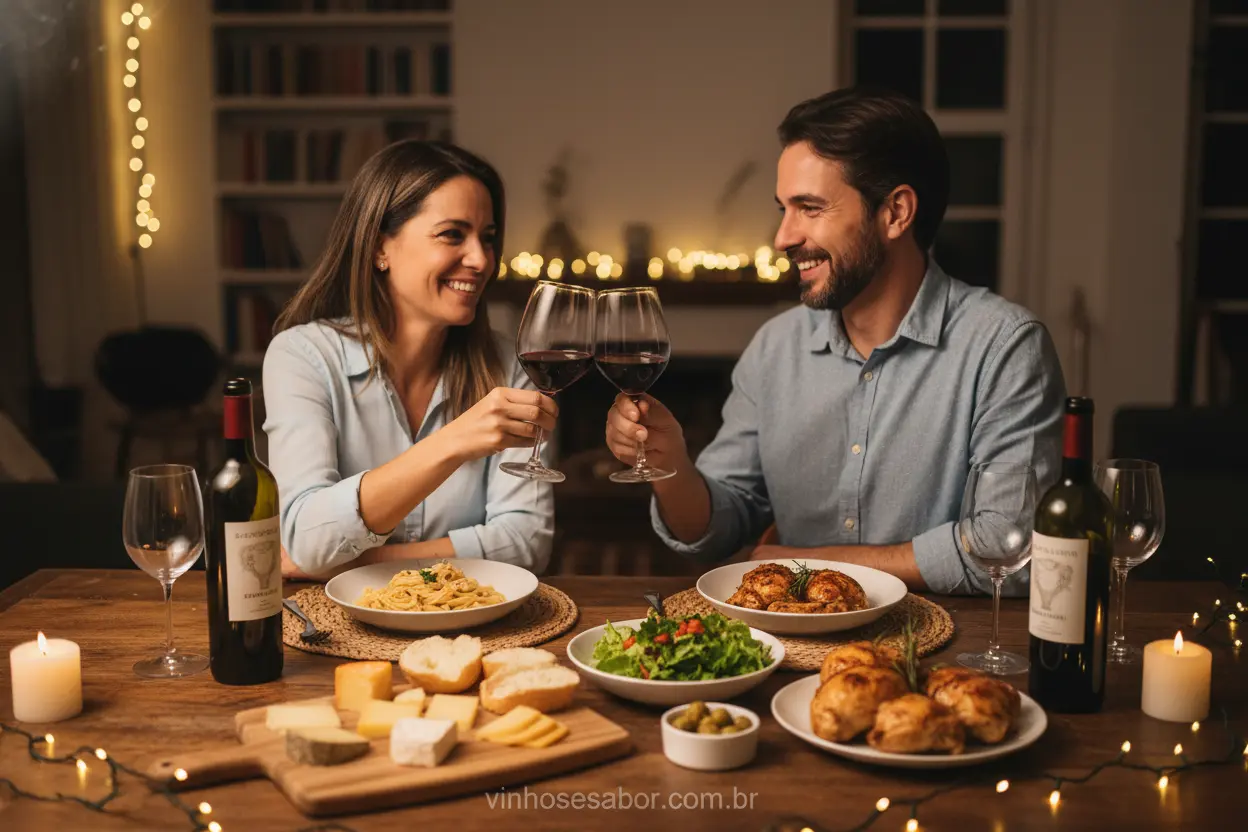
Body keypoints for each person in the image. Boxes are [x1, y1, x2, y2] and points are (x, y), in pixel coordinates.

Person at [604, 87, 1065, 595]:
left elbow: (1008, 547)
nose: (783, 237)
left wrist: (812, 562)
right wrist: (669, 465)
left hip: (950, 638)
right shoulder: (774, 348)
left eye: (810, 208)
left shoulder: (1005, 348)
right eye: (783, 208)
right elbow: (713, 531)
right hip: (790, 636)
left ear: (895, 213)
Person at [263, 140, 556, 579]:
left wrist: (358, 562)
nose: (481, 260)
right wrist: (454, 442)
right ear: (380, 248)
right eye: (452, 234)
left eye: (488, 238)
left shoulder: (511, 367)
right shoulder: (303, 357)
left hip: (472, 617)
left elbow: (525, 542)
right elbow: (306, 537)